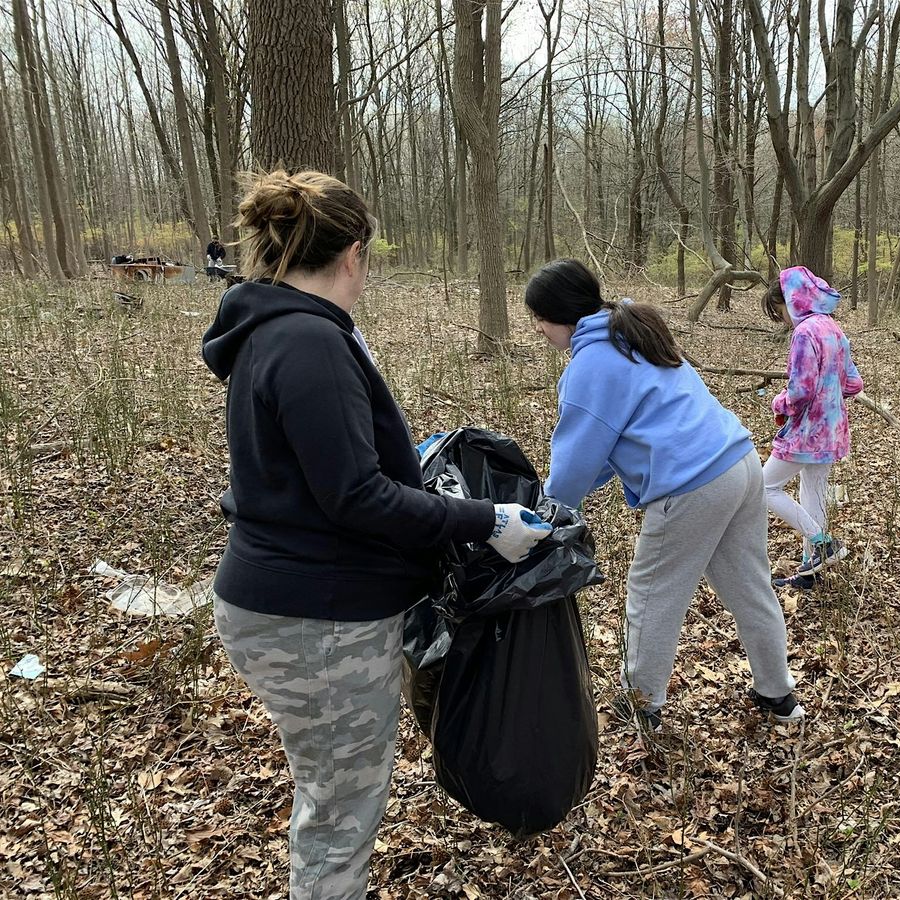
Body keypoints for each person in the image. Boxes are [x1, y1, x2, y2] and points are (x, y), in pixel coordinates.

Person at [201, 169, 549, 900]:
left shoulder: (271, 330)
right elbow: (355, 497)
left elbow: (323, 473)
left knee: (328, 799)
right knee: (339, 820)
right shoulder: (307, 342)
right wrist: (489, 522)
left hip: (290, 602)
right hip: (317, 619)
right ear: (355, 253)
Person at [525, 258, 802, 734]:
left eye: (540, 321)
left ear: (558, 317)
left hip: (691, 484)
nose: (540, 331)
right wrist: (568, 495)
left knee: (652, 595)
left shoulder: (591, 364)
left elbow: (574, 467)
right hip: (739, 462)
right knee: (750, 585)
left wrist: (543, 515)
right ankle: (779, 695)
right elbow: (606, 451)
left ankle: (642, 704)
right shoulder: (629, 329)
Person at [761, 266, 863, 589]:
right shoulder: (834, 329)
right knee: (814, 493)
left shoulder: (805, 332)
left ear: (792, 299)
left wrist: (778, 403)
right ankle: (812, 571)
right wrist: (830, 392)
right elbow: (854, 383)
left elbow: (800, 391)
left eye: (780, 312)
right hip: (832, 431)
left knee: (763, 488)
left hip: (807, 433)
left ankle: (821, 541)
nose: (784, 319)